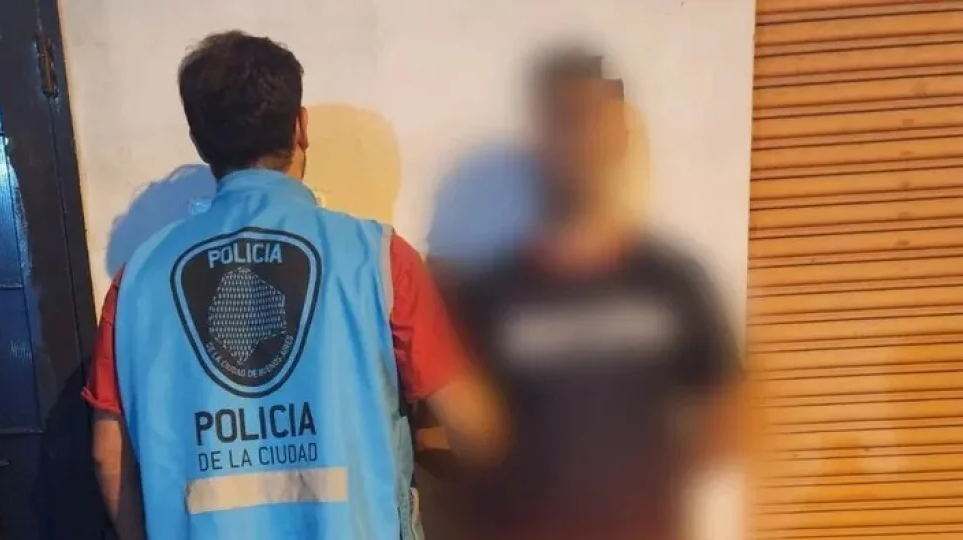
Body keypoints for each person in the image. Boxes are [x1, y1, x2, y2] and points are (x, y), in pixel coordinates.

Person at [81, 31, 505, 540]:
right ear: (300, 126)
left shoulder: (137, 281)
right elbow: (473, 427)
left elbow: (108, 456)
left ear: (198, 140)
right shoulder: (379, 259)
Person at [419, 46, 740, 540]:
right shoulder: (491, 295)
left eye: (594, 120)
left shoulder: (675, 281)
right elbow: (471, 437)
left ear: (622, 136)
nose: (582, 140)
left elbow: (731, 413)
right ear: (541, 143)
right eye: (565, 122)